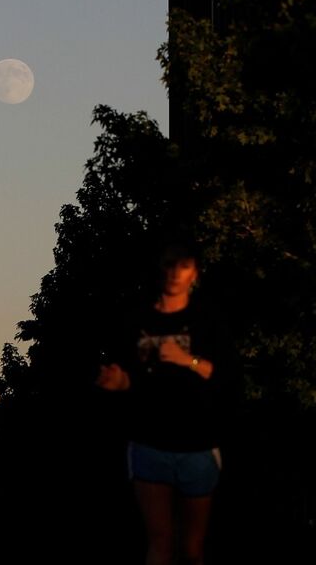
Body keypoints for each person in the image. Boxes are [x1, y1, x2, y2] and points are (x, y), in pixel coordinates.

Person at [97, 241, 232, 565]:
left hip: (197, 443)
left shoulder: (208, 318)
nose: (175, 274)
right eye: (169, 265)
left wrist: (189, 360)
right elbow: (131, 376)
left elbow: (225, 375)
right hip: (149, 443)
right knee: (159, 541)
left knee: (193, 546)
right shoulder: (135, 319)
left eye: (183, 266)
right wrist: (118, 383)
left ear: (194, 273)